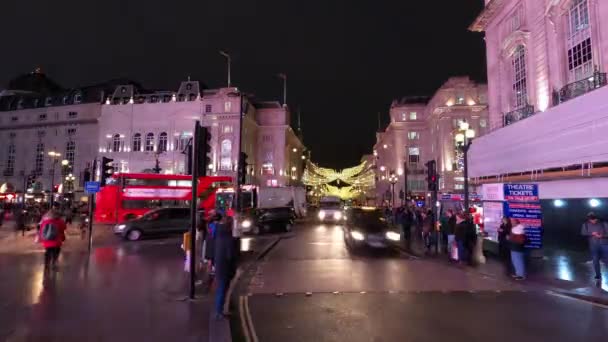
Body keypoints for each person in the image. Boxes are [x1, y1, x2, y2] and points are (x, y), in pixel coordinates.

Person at [213, 211, 237, 319]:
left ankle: (220, 311)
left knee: (221, 289)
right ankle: (218, 312)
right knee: (222, 289)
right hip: (225, 267)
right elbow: (230, 255)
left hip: (219, 265)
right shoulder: (228, 238)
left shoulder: (218, 233)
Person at [581, 212, 608, 281]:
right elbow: (583, 233)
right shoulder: (586, 224)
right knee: (595, 260)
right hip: (593, 245)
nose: (593, 220)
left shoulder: (603, 224)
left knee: (606, 260)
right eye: (591, 219)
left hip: (604, 244)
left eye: (594, 219)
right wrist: (591, 233)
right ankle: (598, 275)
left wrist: (602, 236)